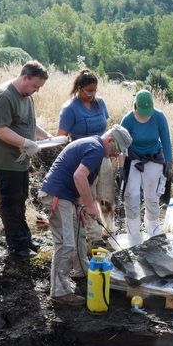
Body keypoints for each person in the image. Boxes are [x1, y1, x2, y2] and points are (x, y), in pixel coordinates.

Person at [38, 125, 132, 306]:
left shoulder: (95, 147)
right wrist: (91, 206)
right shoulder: (96, 149)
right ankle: (59, 291)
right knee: (66, 242)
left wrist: (80, 206)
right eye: (117, 150)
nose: (115, 155)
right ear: (110, 140)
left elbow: (83, 181)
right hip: (57, 196)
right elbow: (79, 176)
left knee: (79, 232)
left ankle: (82, 270)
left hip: (68, 197)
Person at [0, 60, 54, 259]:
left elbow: (30, 124)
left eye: (39, 87)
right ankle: (16, 246)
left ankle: (25, 239)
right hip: (4, 159)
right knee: (11, 202)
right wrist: (27, 143)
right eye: (35, 86)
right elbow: (0, 130)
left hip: (20, 159)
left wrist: (45, 136)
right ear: (25, 77)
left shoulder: (27, 96)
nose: (37, 91)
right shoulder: (4, 95)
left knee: (21, 199)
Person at [57, 68, 112, 240]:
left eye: (95, 90)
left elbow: (106, 127)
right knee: (88, 194)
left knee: (106, 195)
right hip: (84, 159)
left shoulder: (100, 103)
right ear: (79, 88)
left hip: (103, 156)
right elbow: (60, 137)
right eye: (89, 91)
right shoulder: (70, 109)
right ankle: (94, 236)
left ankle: (110, 230)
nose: (93, 94)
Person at [120, 90, 173, 244]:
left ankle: (153, 231)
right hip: (133, 160)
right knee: (132, 197)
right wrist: (121, 168)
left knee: (152, 197)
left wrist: (169, 162)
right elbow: (122, 146)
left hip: (153, 159)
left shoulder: (159, 117)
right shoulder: (128, 120)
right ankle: (133, 233)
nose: (146, 116)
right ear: (135, 107)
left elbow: (166, 140)